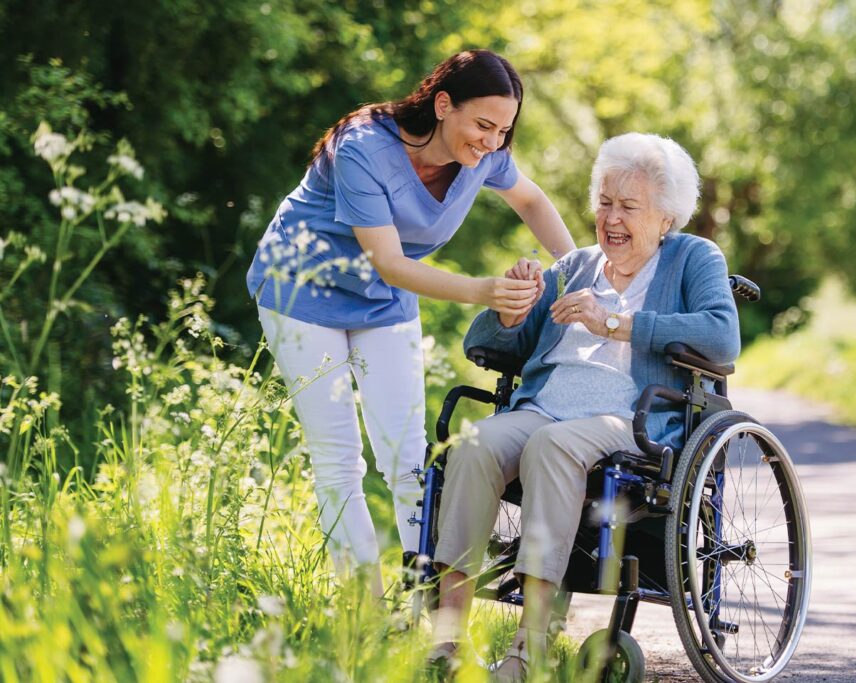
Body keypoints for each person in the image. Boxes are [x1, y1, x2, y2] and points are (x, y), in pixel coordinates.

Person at [246, 49, 576, 596]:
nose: (492, 142)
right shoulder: (363, 147)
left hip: (382, 304)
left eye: (504, 131)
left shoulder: (486, 156)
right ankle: (364, 608)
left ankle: (427, 599)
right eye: (483, 125)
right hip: (301, 293)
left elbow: (533, 202)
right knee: (339, 457)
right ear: (443, 105)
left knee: (406, 454)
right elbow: (391, 263)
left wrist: (582, 273)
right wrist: (483, 291)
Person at [429, 132, 740, 679]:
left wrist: (615, 323)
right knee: (473, 445)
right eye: (604, 202)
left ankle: (530, 648)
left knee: (554, 445)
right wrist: (512, 309)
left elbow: (721, 338)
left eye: (629, 206)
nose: (612, 218)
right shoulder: (574, 266)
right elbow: (490, 346)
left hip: (632, 419)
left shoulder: (693, 258)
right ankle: (447, 641)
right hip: (542, 409)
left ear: (665, 218)